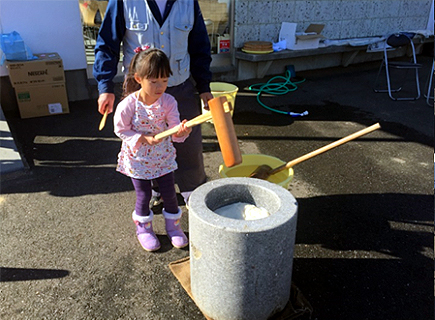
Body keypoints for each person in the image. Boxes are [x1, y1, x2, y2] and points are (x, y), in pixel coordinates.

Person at [94, 0, 213, 207]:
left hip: (179, 87)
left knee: (188, 143)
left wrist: (204, 86)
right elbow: (107, 44)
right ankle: (157, 189)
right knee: (147, 145)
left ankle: (192, 193)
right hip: (140, 92)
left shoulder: (187, 3)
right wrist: (105, 87)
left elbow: (200, 45)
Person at [114, 47, 191, 252]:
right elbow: (120, 130)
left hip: (162, 157)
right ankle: (144, 230)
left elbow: (174, 131)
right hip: (138, 159)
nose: (160, 87)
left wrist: (182, 131)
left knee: (170, 192)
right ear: (139, 78)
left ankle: (173, 228)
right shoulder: (128, 104)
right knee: (144, 195)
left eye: (164, 81)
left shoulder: (168, 101)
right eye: (154, 81)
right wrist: (141, 138)